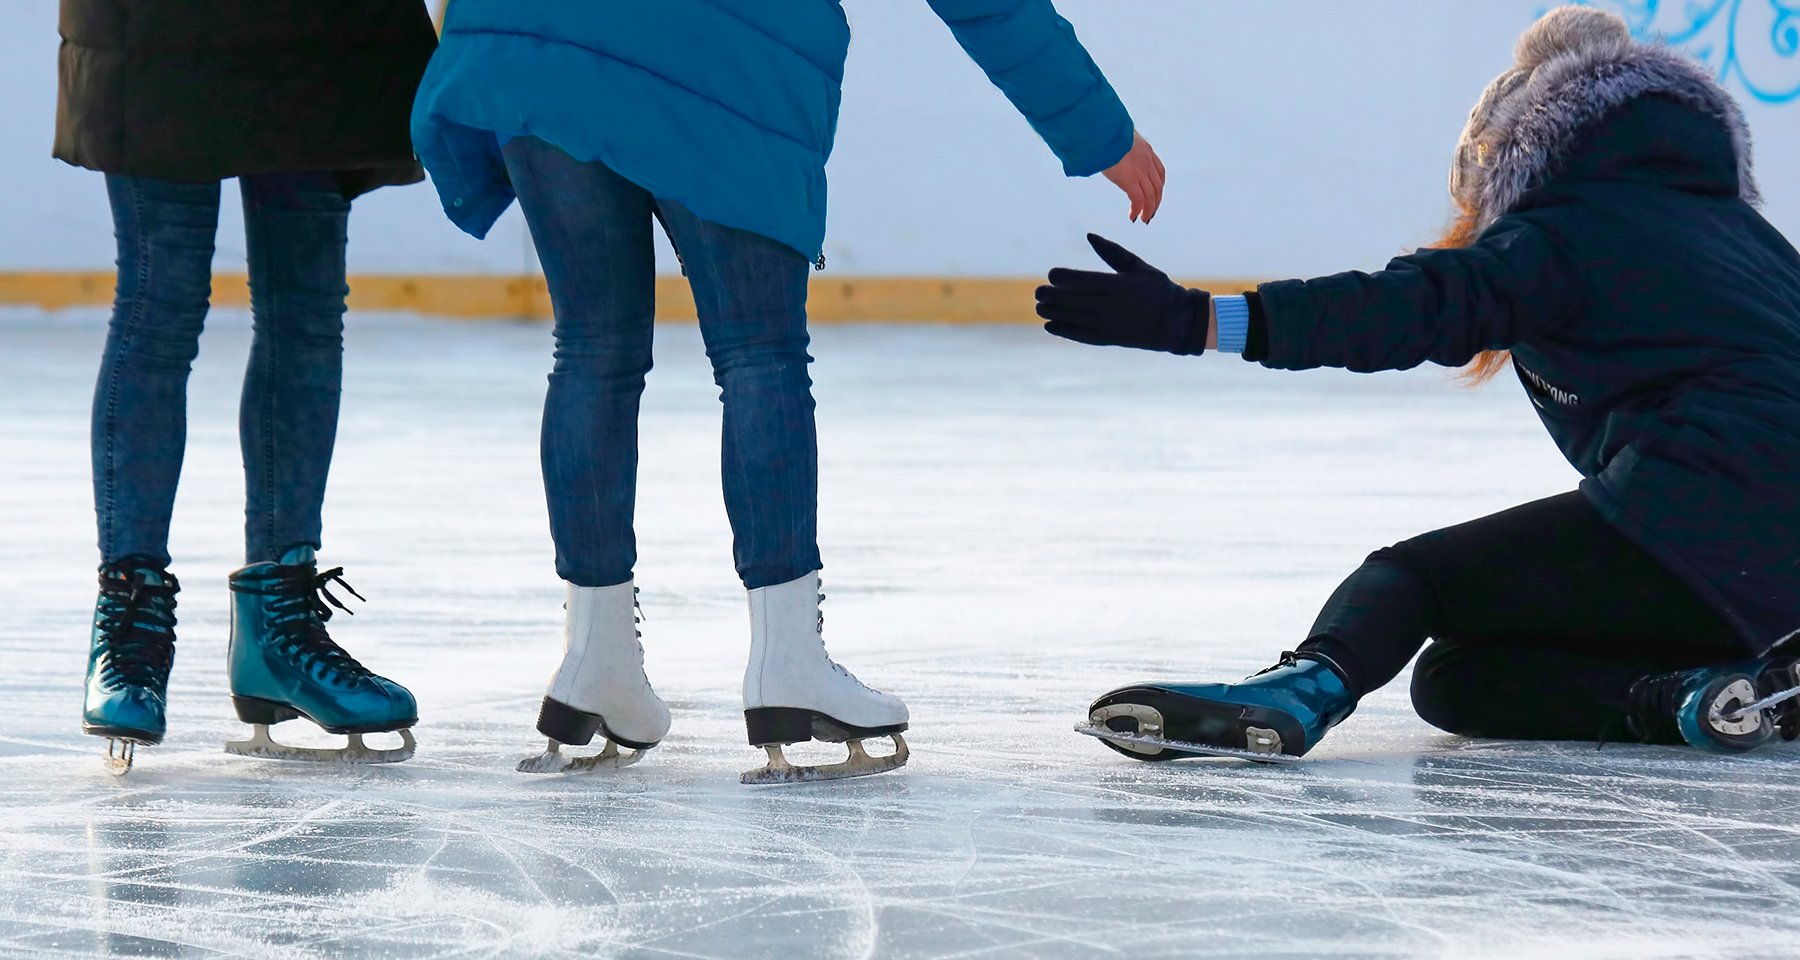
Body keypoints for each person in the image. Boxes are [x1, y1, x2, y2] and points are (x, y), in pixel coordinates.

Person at [412, 0, 1165, 782]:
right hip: (727, 53)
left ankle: (593, 661)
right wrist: (1098, 132)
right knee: (758, 353)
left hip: (539, 40)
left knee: (593, 349)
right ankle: (787, 664)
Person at [1036, 7, 1800, 761]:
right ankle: (1704, 698)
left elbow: (1413, 307)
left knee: (1410, 580)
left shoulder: (1564, 229)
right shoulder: (1750, 240)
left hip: (1704, 502)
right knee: (1457, 679)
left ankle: (1301, 691)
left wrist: (1196, 321)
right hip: (1761, 565)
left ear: (1512, 157)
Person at [56, 1, 439, 773]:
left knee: (305, 309)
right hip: (156, 24)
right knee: (158, 301)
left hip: (312, 29)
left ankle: (280, 622)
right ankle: (129, 621)